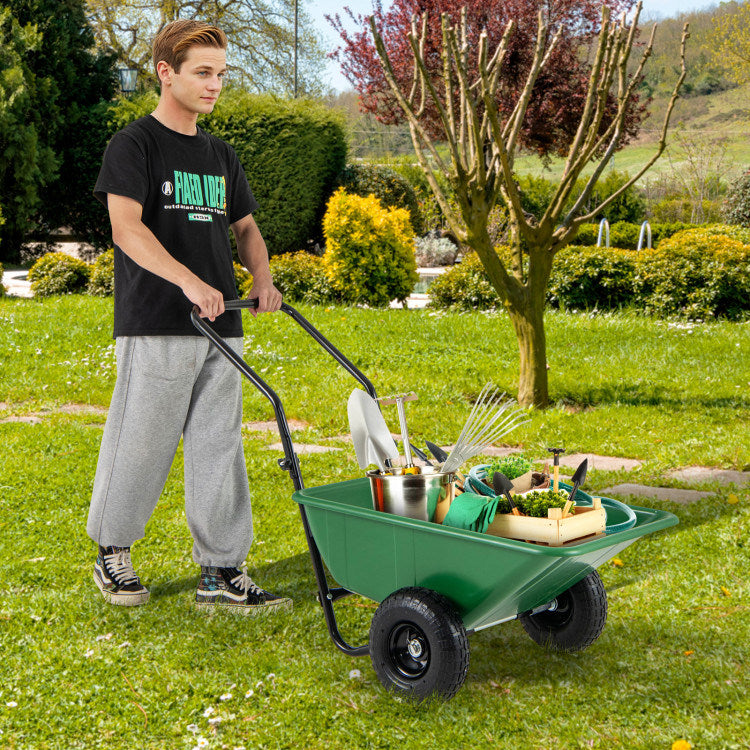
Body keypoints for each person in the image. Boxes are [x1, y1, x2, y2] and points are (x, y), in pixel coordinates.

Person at [86, 19, 291, 615]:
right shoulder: (134, 145)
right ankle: (113, 550)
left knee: (218, 445)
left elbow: (246, 228)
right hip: (157, 320)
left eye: (221, 74)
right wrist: (187, 280)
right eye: (202, 73)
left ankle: (221, 568)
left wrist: (263, 276)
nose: (214, 85)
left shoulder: (220, 154)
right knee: (141, 441)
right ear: (165, 72)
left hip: (222, 323)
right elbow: (126, 228)